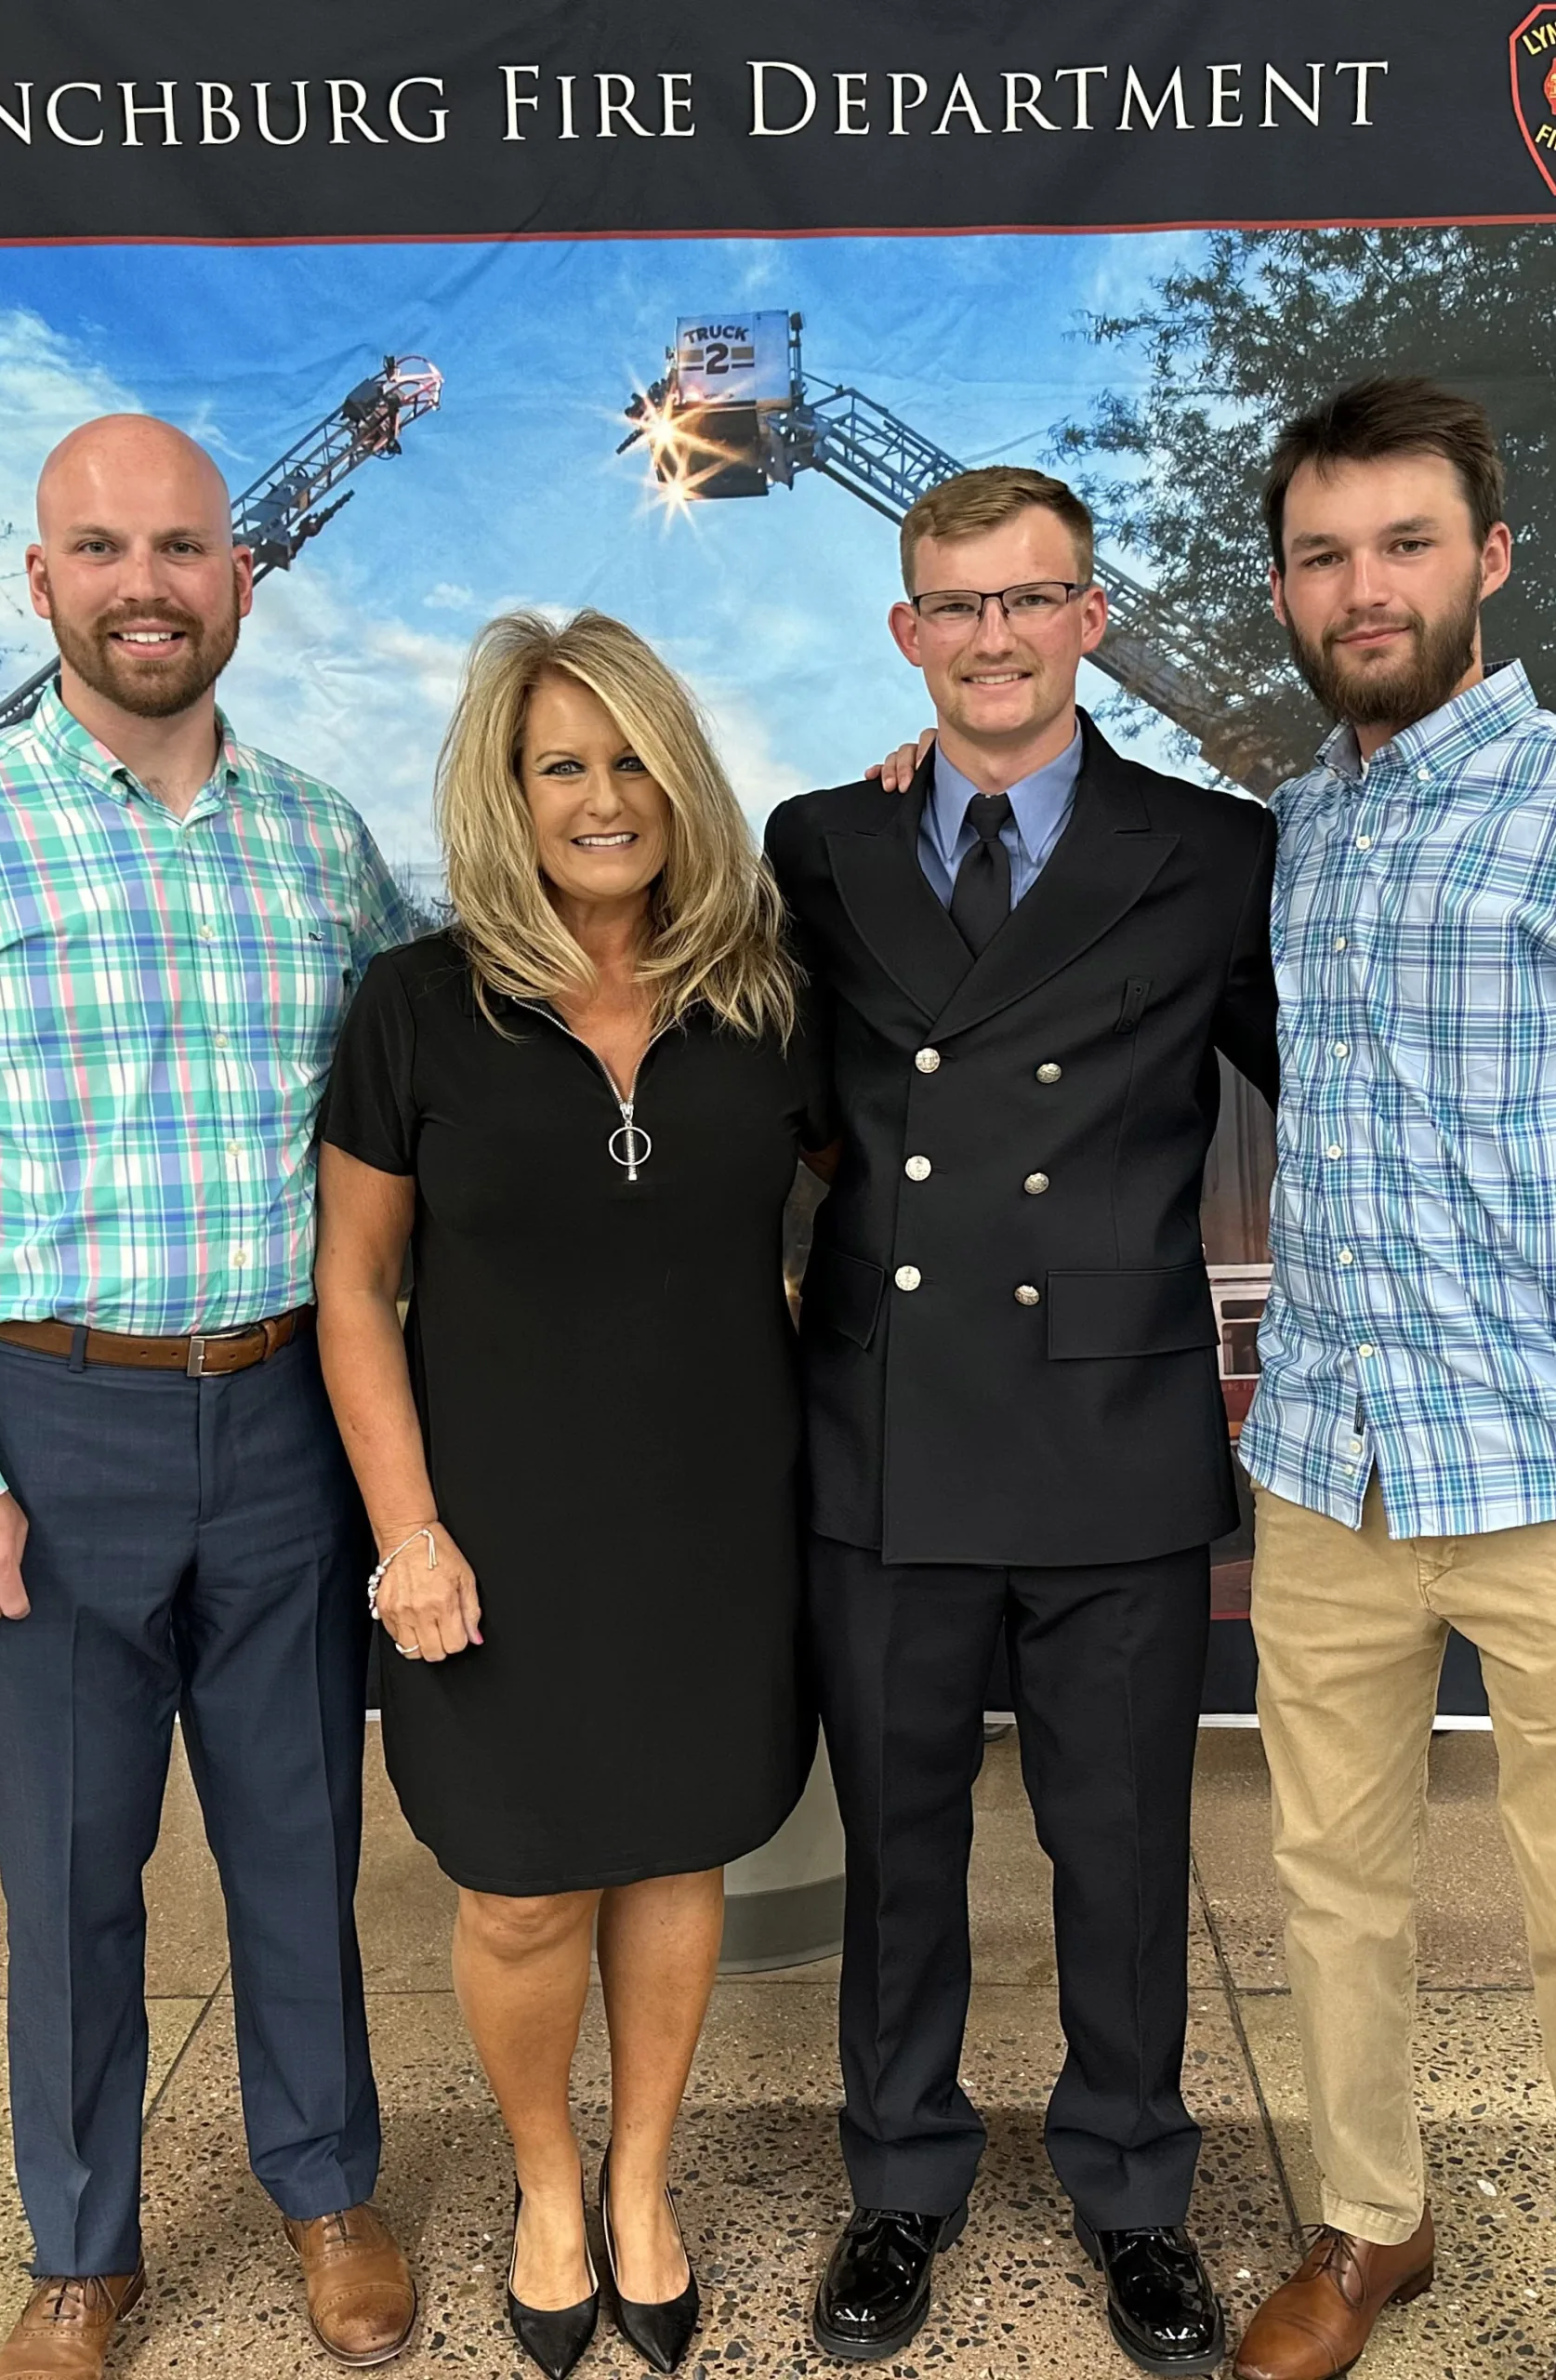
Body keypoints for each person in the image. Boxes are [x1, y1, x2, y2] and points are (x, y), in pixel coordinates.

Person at [766, 464, 1279, 2373]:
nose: (993, 634)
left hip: (1114, 1425)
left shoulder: (1215, 849)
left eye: (1029, 597)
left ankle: (1134, 2187)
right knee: (899, 1843)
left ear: (1089, 616)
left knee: (1121, 1843)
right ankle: (898, 2175)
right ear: (908, 632)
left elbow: (1336, 1083)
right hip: (887, 1425)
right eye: (954, 603)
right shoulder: (816, 843)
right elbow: (775, 1098)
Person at [314, 608, 829, 2380]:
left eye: (628, 760)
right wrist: (408, 1533)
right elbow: (354, 1289)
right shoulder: (416, 1007)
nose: (600, 797)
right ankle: (544, 2184)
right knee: (525, 1889)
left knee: (674, 1848)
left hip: (711, 1519)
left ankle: (637, 2185)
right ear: (503, 791)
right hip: (492, 1537)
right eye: (560, 765)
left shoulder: (766, 1003)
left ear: (677, 781)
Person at [0, 417, 416, 2380]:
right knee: (68, 1871)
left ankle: (326, 2187)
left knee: (296, 1841)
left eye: (181, 546)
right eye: (101, 548)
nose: (144, 581)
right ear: (38, 583)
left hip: (286, 1424)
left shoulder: (328, 842)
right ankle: (84, 2245)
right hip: (47, 1430)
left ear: (241, 577)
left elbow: (437, 1100)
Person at [1231, 380, 1556, 2380]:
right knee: (1327, 1879)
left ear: (1490, 558)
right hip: (1325, 1458)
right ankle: (1371, 2220)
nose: (1364, 588)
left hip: (1537, 1443)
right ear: (1284, 584)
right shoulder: (1293, 822)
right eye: (1325, 553)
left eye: (1404, 543)